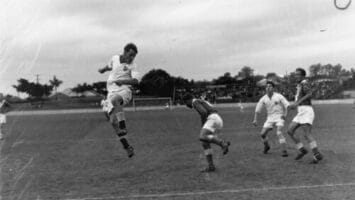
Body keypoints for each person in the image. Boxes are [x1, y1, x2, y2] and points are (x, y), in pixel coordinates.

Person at [98, 43, 141, 158]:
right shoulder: (115, 58)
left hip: (124, 91)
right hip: (111, 93)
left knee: (115, 100)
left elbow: (136, 81)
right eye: (130, 55)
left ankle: (123, 126)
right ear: (125, 51)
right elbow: (109, 66)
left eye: (134, 56)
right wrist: (103, 69)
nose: (131, 58)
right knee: (112, 122)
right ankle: (128, 147)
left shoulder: (133, 66)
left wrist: (123, 81)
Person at [182, 93, 230, 172]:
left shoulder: (194, 102)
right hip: (217, 119)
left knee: (202, 136)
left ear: (188, 100)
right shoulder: (199, 101)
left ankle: (222, 143)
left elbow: (203, 112)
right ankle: (211, 166)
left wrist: (203, 124)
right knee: (204, 142)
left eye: (185, 102)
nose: (186, 105)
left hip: (212, 118)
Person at [287, 68, 323, 164]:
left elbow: (309, 94)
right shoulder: (299, 85)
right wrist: (293, 105)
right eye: (295, 74)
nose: (296, 76)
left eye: (297, 74)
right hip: (301, 112)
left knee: (307, 134)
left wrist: (297, 102)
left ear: (303, 75)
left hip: (306, 111)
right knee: (290, 130)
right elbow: (299, 99)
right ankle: (302, 149)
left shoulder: (305, 82)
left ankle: (316, 154)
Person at [252, 81, 290, 157]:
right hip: (270, 118)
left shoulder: (279, 96)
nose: (268, 87)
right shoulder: (263, 98)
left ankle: (284, 151)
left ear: (273, 88)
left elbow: (287, 106)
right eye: (267, 86)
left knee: (278, 132)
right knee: (262, 134)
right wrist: (255, 119)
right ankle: (267, 146)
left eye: (270, 86)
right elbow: (257, 110)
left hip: (279, 116)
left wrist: (285, 115)